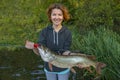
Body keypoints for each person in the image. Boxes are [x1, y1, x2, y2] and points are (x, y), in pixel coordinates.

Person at [25, 3, 73, 80]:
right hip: (49, 68)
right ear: (50, 16)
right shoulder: (44, 32)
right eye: (54, 14)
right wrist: (34, 47)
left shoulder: (67, 33)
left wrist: (74, 58)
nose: (57, 17)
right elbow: (40, 51)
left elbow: (65, 51)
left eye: (59, 15)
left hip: (64, 68)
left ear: (63, 16)